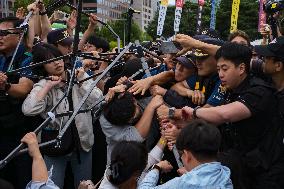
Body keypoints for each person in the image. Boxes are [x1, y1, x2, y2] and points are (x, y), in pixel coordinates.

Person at [181, 42, 283, 188]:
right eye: (218, 69)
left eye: (225, 69)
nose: (220, 74)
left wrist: (194, 112)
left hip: (265, 173)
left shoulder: (259, 92)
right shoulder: (231, 89)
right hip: (241, 167)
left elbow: (224, 115)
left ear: (241, 68)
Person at [22, 43, 103, 188]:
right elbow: (28, 109)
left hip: (82, 143)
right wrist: (47, 87)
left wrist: (82, 81)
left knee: (85, 184)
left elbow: (98, 100)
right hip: (54, 146)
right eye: (49, 61)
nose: (56, 62)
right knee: (52, 184)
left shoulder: (78, 75)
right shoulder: (43, 84)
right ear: (42, 66)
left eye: (58, 58)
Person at [0, 16, 41, 188]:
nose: (0, 37)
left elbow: (24, 88)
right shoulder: (1, 57)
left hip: (20, 133)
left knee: (21, 179)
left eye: (3, 33)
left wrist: (5, 85)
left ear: (19, 34)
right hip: (1, 128)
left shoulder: (28, 56)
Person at [138, 119, 233, 189]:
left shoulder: (185, 182)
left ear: (187, 156)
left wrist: (157, 168)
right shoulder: (225, 174)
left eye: (181, 154)